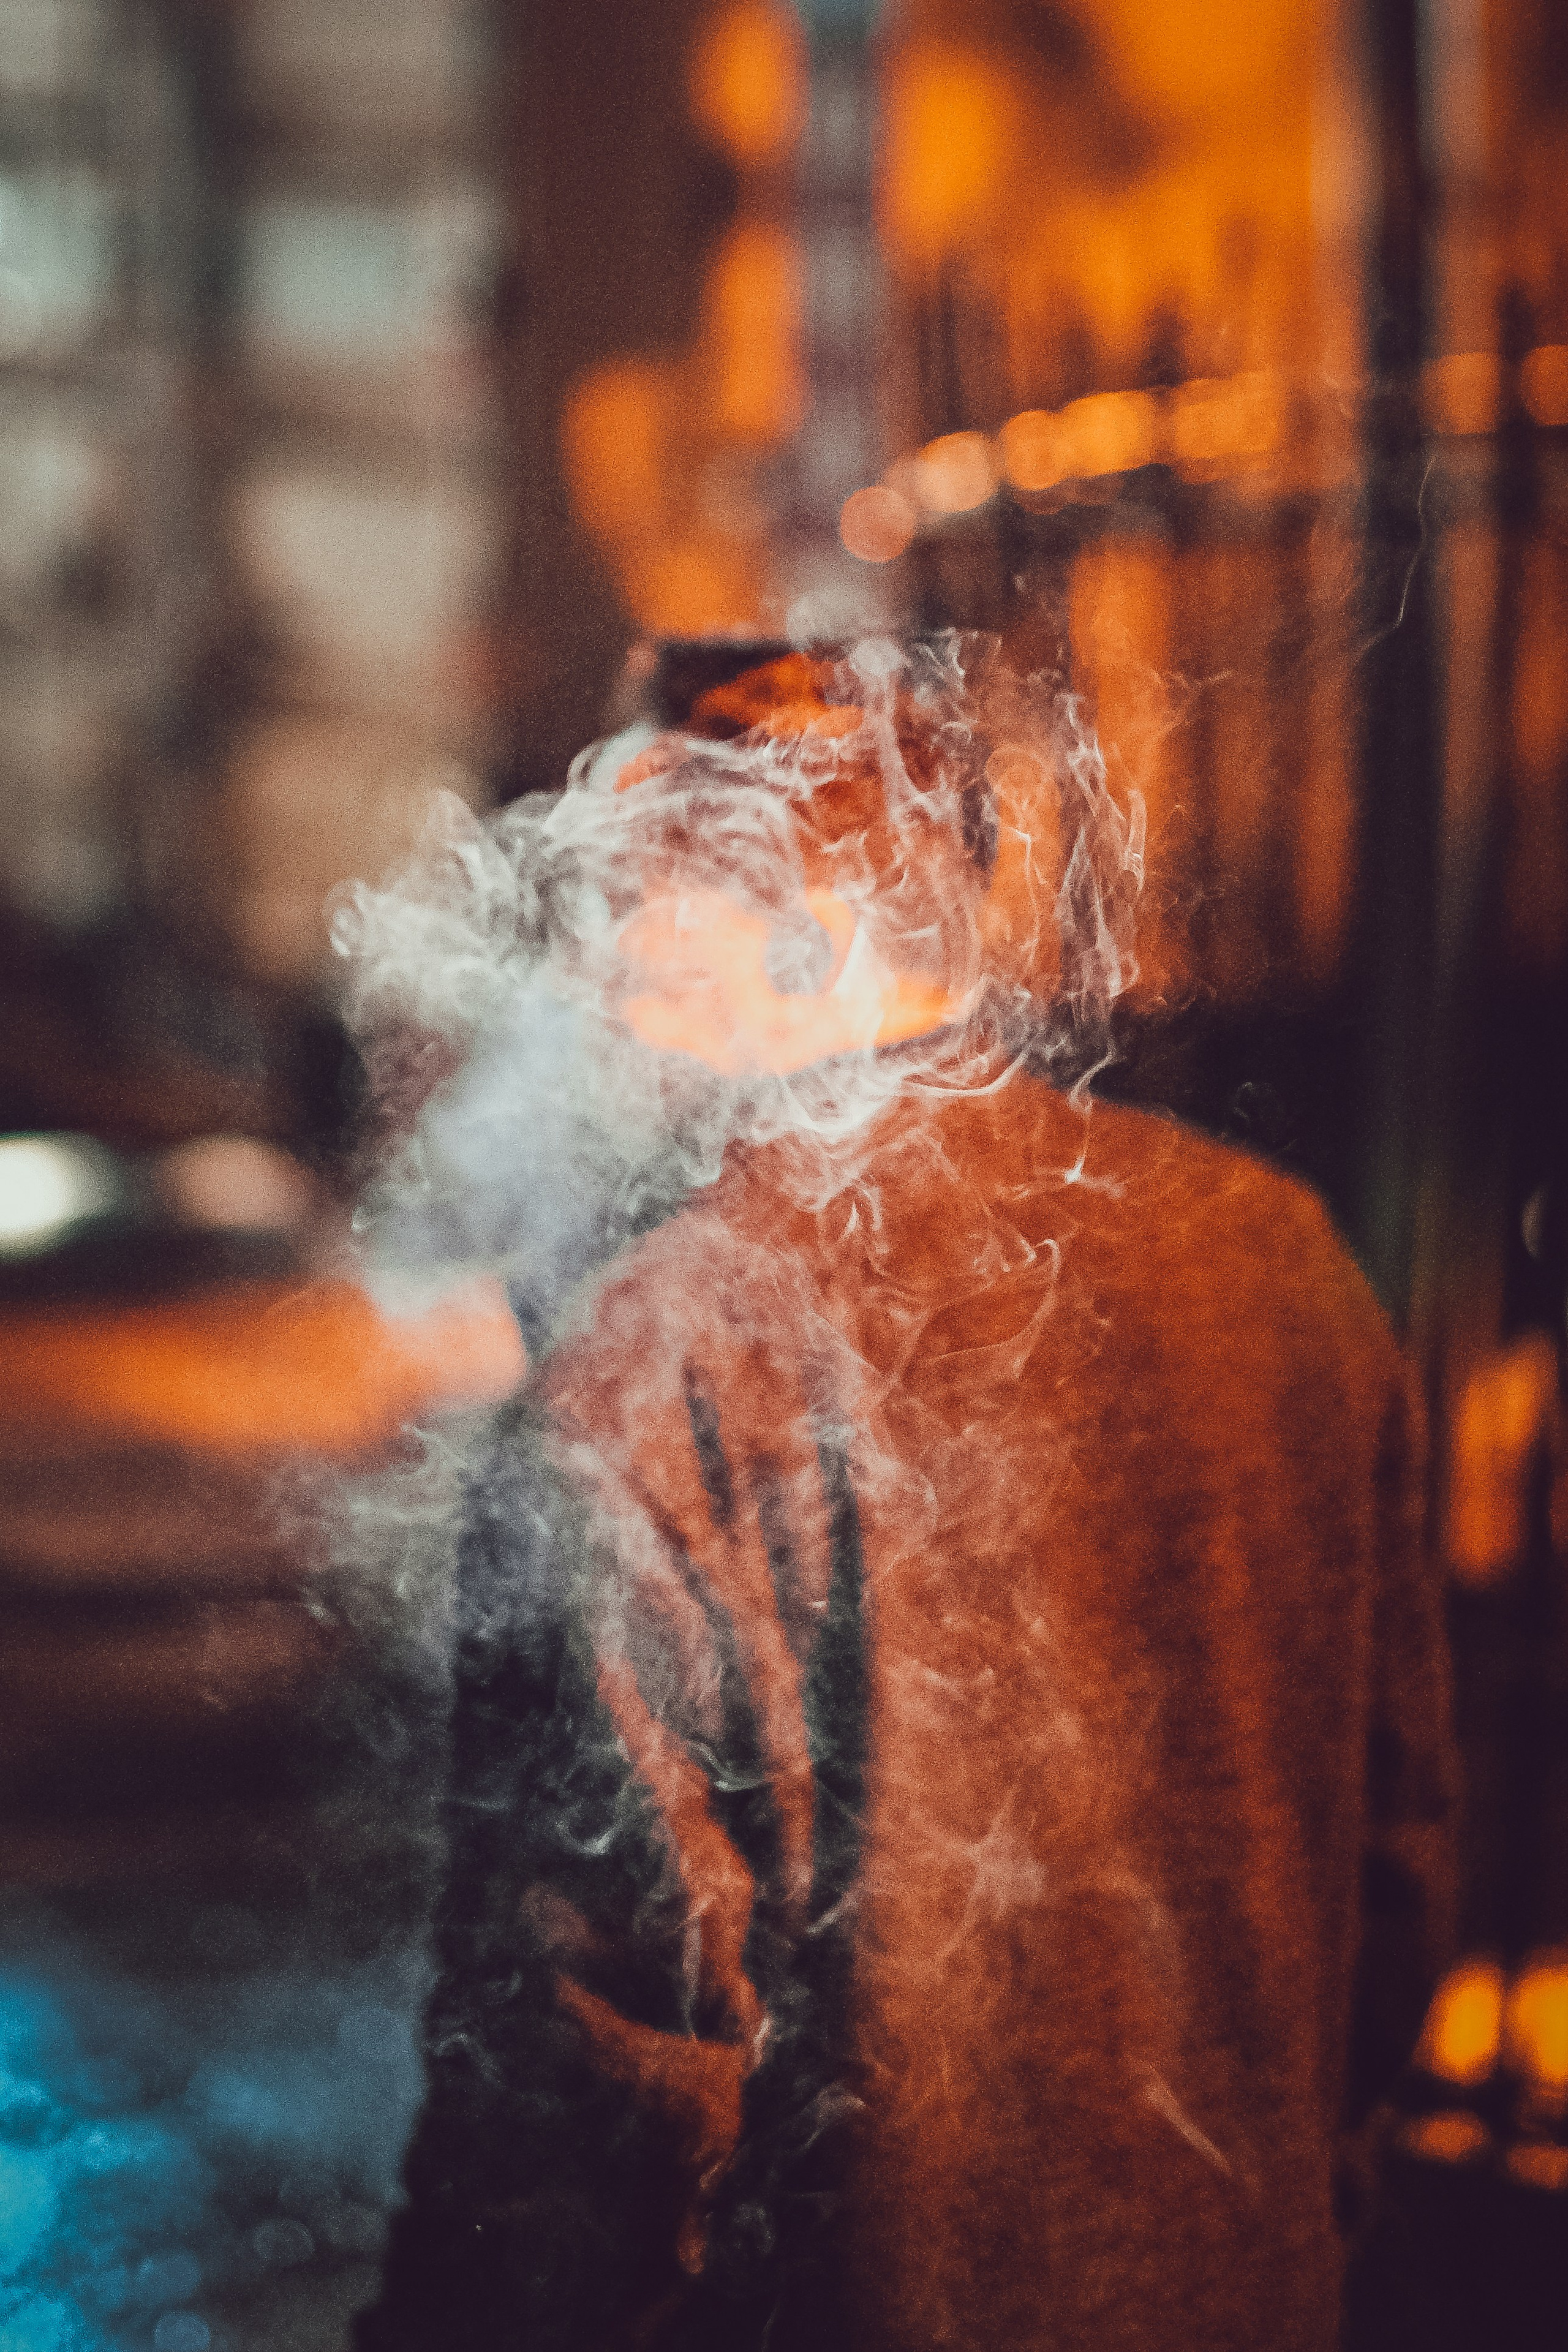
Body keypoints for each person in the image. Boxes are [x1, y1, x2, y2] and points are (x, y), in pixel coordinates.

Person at [353, 638, 1457, 2352]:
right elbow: (1392, 1886)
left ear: (787, 939)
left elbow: (579, 2083)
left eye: (629, 927)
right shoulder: (1282, 1266)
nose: (585, 998)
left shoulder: (657, 1370)